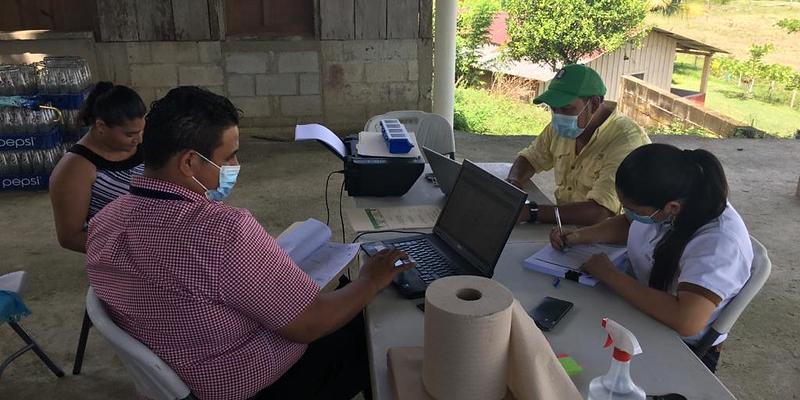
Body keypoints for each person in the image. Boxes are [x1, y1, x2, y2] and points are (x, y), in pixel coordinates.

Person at [85, 86, 413, 400]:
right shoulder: (221, 231)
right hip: (249, 386)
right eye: (227, 157)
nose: (234, 167)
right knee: (379, 323)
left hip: (178, 373)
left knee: (346, 293)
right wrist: (371, 280)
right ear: (188, 163)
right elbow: (309, 324)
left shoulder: (105, 220)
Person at [550, 143, 753, 372]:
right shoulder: (670, 202)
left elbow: (686, 319)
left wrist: (610, 275)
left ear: (672, 208)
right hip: (635, 309)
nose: (628, 213)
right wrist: (578, 236)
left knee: (576, 363)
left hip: (676, 344)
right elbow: (630, 223)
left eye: (633, 209)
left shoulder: (720, 243)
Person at [506, 64, 650, 226]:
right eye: (553, 109)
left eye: (567, 108)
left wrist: (531, 212)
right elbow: (530, 158)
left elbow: (600, 212)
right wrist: (513, 185)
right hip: (565, 228)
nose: (558, 116)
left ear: (594, 104)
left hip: (609, 238)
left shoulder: (626, 142)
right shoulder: (562, 128)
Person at [49, 82, 146, 253]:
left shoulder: (140, 145)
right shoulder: (74, 168)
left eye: (141, 131)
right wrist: (133, 252)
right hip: (121, 255)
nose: (138, 140)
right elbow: (70, 237)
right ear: (101, 126)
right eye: (129, 134)